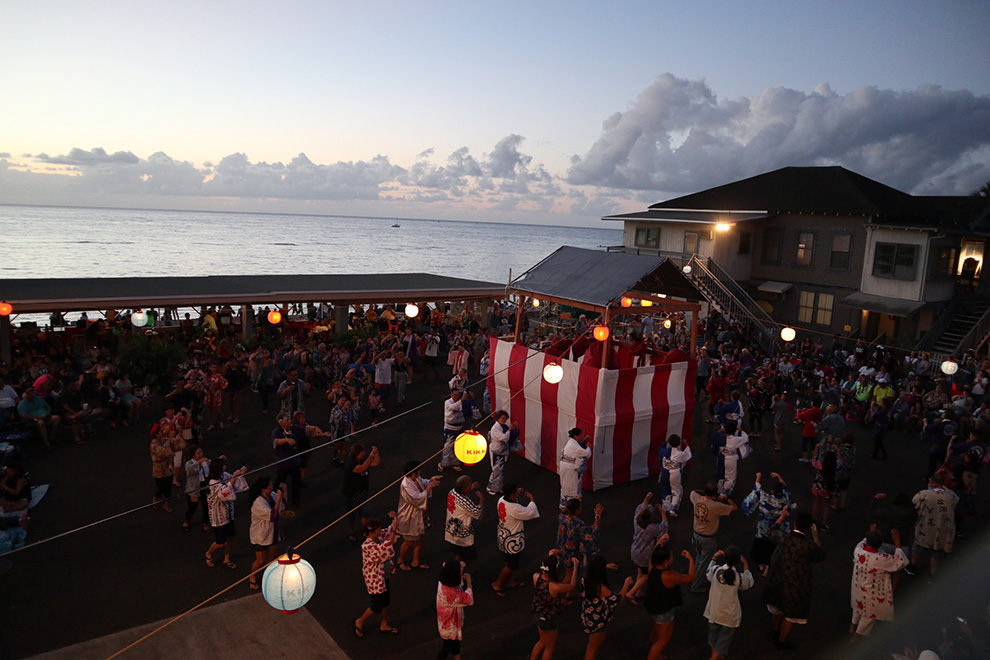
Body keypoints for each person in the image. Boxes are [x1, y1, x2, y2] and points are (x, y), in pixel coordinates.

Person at [764, 510, 825, 650]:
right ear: (809, 528)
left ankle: (775, 632)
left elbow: (770, 531)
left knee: (777, 608)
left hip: (778, 581)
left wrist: (782, 516)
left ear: (795, 524)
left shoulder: (784, 538)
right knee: (791, 616)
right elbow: (820, 555)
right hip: (796, 586)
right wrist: (816, 537)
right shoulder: (808, 547)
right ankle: (781, 641)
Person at [632, 543, 696, 660]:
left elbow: (652, 556)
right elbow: (690, 577)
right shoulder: (668, 575)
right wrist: (691, 559)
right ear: (666, 560)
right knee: (663, 639)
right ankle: (653, 655)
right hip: (664, 611)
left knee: (656, 632)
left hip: (653, 606)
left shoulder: (652, 568)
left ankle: (655, 653)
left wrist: (659, 542)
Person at [850, 527, 908, 638]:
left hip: (858, 587)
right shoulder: (881, 559)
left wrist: (871, 532)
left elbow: (862, 542)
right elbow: (901, 561)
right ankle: (856, 637)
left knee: (857, 608)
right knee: (869, 615)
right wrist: (897, 543)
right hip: (872, 593)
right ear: (880, 544)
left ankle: (852, 626)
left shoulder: (858, 551)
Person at [703, 547, 754, 660]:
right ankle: (715, 657)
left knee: (713, 639)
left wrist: (714, 557)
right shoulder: (739, 578)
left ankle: (715, 655)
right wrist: (745, 565)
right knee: (723, 641)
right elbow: (749, 583)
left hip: (714, 611)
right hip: (730, 615)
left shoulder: (716, 571)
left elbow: (708, 573)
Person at [581, 554, 635, 660]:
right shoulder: (601, 588)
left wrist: (605, 566)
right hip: (598, 620)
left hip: (589, 615)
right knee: (593, 648)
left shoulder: (585, 578)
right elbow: (617, 600)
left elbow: (593, 570)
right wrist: (626, 584)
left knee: (591, 645)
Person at [355, 514, 400, 636]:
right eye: (378, 529)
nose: (381, 531)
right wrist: (394, 530)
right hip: (375, 579)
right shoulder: (367, 546)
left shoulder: (378, 538)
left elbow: (389, 531)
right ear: (372, 532)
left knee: (386, 602)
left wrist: (396, 519)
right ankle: (360, 621)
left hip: (384, 576)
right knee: (376, 606)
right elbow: (385, 548)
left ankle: (384, 624)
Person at [742, 471, 793, 577]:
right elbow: (785, 487)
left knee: (761, 547)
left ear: (772, 491)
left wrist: (758, 477)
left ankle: (761, 564)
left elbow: (757, 489)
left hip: (763, 529)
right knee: (772, 549)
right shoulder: (786, 500)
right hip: (778, 530)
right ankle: (767, 569)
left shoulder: (766, 499)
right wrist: (779, 476)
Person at [529, 551, 579, 660]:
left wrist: (549, 556)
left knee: (542, 641)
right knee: (549, 647)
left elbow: (545, 568)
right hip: (548, 618)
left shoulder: (536, 577)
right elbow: (572, 585)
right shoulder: (554, 586)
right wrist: (575, 567)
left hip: (538, 614)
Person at [908, 471, 959, 578]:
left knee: (918, 547)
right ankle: (933, 574)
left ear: (930, 482)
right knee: (936, 552)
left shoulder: (923, 495)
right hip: (942, 527)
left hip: (925, 526)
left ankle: (912, 566)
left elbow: (914, 503)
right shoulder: (951, 495)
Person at [689, 481, 736, 593]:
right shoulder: (716, 506)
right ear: (715, 494)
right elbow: (733, 508)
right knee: (705, 563)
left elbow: (694, 491)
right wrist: (726, 498)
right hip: (707, 539)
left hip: (696, 535)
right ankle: (696, 586)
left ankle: (693, 576)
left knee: (699, 558)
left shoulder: (696, 498)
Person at [493, 483, 540, 595]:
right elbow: (530, 512)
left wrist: (517, 493)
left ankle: (510, 581)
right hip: (512, 539)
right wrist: (532, 499)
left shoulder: (501, 500)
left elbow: (514, 503)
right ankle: (497, 584)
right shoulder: (514, 508)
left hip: (503, 535)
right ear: (513, 494)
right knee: (511, 565)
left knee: (508, 561)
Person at [396, 460, 443, 570]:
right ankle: (400, 560)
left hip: (420, 514)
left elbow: (423, 483)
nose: (419, 474)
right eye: (418, 472)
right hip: (410, 517)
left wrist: (431, 481)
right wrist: (429, 487)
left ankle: (415, 561)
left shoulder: (415, 479)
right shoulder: (406, 485)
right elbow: (416, 499)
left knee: (420, 537)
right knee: (409, 541)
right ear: (413, 474)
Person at [205, 458, 248, 569]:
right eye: (222, 465)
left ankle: (227, 559)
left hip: (228, 513)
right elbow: (224, 491)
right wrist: (234, 476)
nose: (224, 467)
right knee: (220, 542)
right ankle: (208, 553)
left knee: (230, 538)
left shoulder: (223, 475)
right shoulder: (212, 482)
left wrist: (241, 473)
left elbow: (234, 482)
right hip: (218, 516)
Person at [248, 476, 286, 591]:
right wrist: (279, 499)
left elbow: (282, 507)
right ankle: (252, 576)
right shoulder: (258, 503)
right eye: (269, 485)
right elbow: (272, 515)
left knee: (271, 559)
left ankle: (270, 577)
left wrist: (284, 493)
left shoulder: (272, 496)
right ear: (263, 489)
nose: (272, 486)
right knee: (260, 560)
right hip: (260, 536)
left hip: (271, 533)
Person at [436, 559, 474, 660]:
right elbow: (469, 600)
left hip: (445, 623)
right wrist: (469, 582)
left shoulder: (443, 581)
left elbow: (446, 564)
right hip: (450, 626)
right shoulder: (452, 594)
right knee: (448, 647)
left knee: (455, 644)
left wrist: (459, 566)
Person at [344, 443, 381, 541]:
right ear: (356, 454)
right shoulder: (351, 464)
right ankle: (351, 532)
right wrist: (371, 455)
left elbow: (376, 462)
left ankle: (366, 532)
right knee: (352, 516)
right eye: (362, 452)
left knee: (365, 513)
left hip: (363, 492)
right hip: (352, 494)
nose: (364, 454)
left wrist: (376, 453)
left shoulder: (364, 461)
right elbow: (363, 468)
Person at [444, 475, 483, 562]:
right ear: (465, 489)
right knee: (467, 557)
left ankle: (456, 564)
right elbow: (478, 514)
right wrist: (481, 500)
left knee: (456, 551)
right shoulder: (465, 502)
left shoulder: (452, 492)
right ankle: (459, 572)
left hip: (452, 527)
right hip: (462, 533)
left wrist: (471, 487)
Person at [631, 492, 669, 577]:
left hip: (635, 551)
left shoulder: (636, 521)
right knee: (646, 576)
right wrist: (662, 511)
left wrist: (646, 498)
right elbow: (664, 526)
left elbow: (640, 508)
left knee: (639, 573)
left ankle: (638, 590)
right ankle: (642, 589)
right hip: (646, 556)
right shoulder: (653, 528)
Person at [271, 412, 302, 514]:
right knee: (279, 481)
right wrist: (286, 440)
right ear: (281, 422)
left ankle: (296, 501)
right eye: (287, 420)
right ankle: (272, 498)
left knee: (297, 481)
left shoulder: (292, 428)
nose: (289, 421)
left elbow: (304, 429)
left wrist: (313, 429)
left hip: (294, 461)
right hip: (283, 463)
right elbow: (276, 442)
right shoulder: (276, 432)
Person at [658, 434, 692, 517]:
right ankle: (673, 510)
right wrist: (687, 445)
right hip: (675, 473)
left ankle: (666, 507)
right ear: (679, 444)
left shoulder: (663, 451)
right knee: (676, 491)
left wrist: (665, 441)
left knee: (665, 489)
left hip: (664, 472)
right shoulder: (679, 454)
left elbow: (659, 448)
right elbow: (689, 455)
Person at [487, 410, 519, 496]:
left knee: (499, 470)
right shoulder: (495, 429)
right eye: (502, 418)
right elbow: (505, 438)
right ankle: (491, 488)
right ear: (498, 418)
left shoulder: (501, 427)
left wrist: (513, 428)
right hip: (496, 451)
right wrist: (509, 430)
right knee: (496, 470)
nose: (504, 420)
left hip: (500, 451)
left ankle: (496, 486)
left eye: (505, 419)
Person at [811, 438, 840, 530]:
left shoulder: (819, 465)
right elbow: (840, 459)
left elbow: (814, 458)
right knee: (826, 506)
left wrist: (817, 447)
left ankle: (813, 519)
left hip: (818, 486)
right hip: (828, 487)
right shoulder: (836, 466)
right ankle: (824, 524)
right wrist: (838, 449)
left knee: (816, 502)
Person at [559, 427, 591, 510]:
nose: (581, 437)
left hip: (565, 467)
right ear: (576, 436)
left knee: (565, 486)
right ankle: (571, 507)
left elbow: (578, 448)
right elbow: (586, 454)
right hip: (570, 469)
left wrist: (584, 441)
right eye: (580, 435)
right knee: (573, 487)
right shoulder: (573, 445)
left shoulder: (571, 443)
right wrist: (588, 447)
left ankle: (563, 504)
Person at [182, 445, 210, 532]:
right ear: (193, 456)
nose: (201, 454)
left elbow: (212, 464)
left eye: (201, 452)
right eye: (198, 453)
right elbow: (190, 470)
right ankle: (187, 521)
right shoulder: (189, 464)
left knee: (206, 506)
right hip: (193, 489)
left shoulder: (205, 461)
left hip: (204, 486)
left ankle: (205, 524)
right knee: (193, 507)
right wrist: (199, 463)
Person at [149, 422, 176, 512]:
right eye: (161, 431)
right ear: (156, 434)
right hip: (159, 470)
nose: (163, 432)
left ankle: (166, 504)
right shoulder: (154, 445)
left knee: (168, 488)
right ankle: (156, 497)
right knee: (162, 488)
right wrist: (170, 439)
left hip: (168, 468)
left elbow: (176, 446)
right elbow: (163, 452)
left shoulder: (165, 440)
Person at [439, 389, 467, 472]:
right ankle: (442, 463)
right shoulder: (448, 402)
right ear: (451, 395)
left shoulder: (461, 402)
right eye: (455, 395)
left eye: (458, 395)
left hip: (459, 428)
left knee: (457, 447)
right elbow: (453, 407)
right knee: (448, 447)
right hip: (450, 429)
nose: (457, 397)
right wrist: (462, 399)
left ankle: (454, 463)